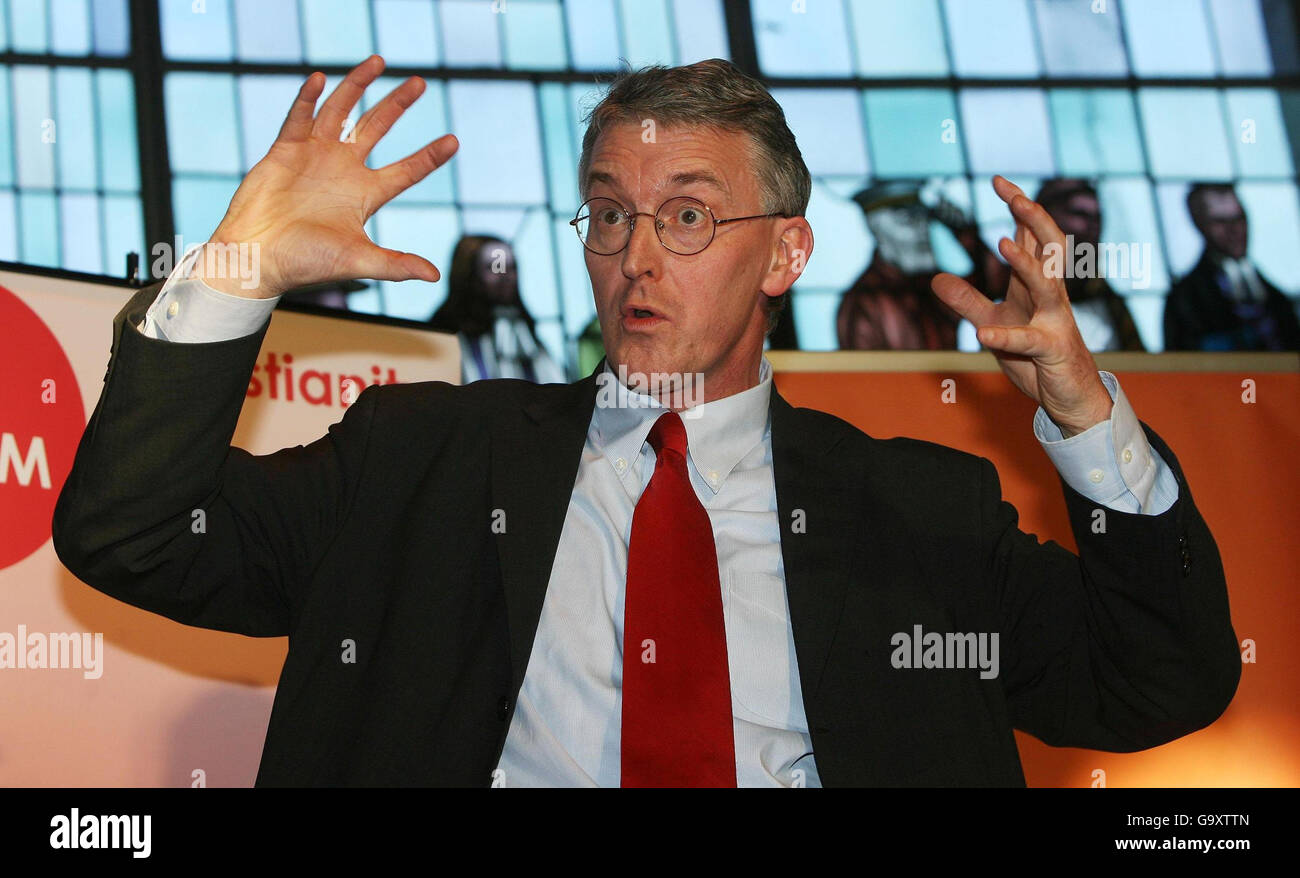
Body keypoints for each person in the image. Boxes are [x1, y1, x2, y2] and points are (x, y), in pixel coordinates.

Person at [52, 56, 1239, 787]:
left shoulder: (921, 512)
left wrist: (1084, 415)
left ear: (785, 251)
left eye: (686, 217)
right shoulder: (420, 461)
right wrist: (235, 270)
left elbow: (1161, 684)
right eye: (608, 217)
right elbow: (133, 534)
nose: (635, 257)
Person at [837, 180, 1008, 350]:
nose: (921, 230)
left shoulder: (934, 286)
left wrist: (965, 232)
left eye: (922, 218)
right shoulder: (864, 300)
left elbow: (995, 286)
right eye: (906, 220)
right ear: (876, 226)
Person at [1163, 183, 1300, 351]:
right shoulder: (1186, 296)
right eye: (1220, 222)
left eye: (1239, 219)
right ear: (1200, 225)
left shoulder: (1274, 295)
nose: (1234, 230)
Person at [427, 235, 567, 383]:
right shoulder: (444, 337)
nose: (504, 276)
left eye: (510, 267)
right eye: (493, 267)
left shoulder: (525, 334)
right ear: (469, 274)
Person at [1034, 178, 1146, 352]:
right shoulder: (1013, 291)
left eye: (1097, 217)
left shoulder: (1110, 303)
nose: (1093, 226)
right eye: (1080, 214)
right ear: (1046, 219)